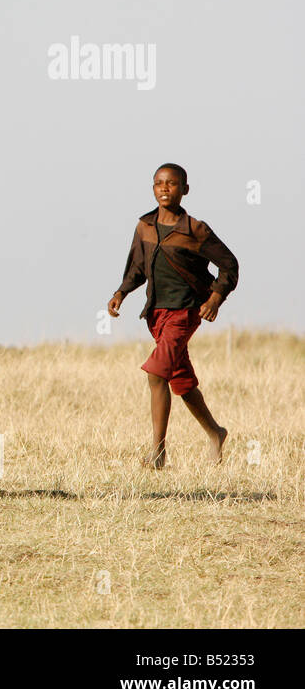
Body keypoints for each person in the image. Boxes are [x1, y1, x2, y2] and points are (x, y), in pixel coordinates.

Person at [108, 164, 238, 468]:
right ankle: (215, 432)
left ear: (185, 190)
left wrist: (216, 298)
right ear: (153, 189)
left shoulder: (195, 230)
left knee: (156, 373)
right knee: (180, 380)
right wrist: (120, 293)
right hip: (156, 314)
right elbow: (137, 269)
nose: (165, 189)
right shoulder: (145, 226)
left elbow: (229, 265)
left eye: (172, 184)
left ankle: (157, 452)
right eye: (159, 184)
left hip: (185, 312)